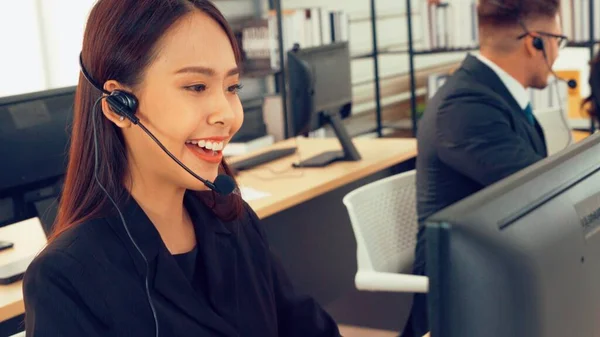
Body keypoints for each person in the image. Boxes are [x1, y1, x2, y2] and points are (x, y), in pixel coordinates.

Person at [22, 1, 341, 336]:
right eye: (196, 87)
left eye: (232, 87)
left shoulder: (235, 223)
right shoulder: (67, 277)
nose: (228, 115)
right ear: (119, 107)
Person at [403, 0, 565, 336]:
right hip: (466, 296)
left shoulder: (493, 95)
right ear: (534, 43)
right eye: (557, 42)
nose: (559, 55)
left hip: (503, 268)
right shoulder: (464, 108)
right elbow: (539, 195)